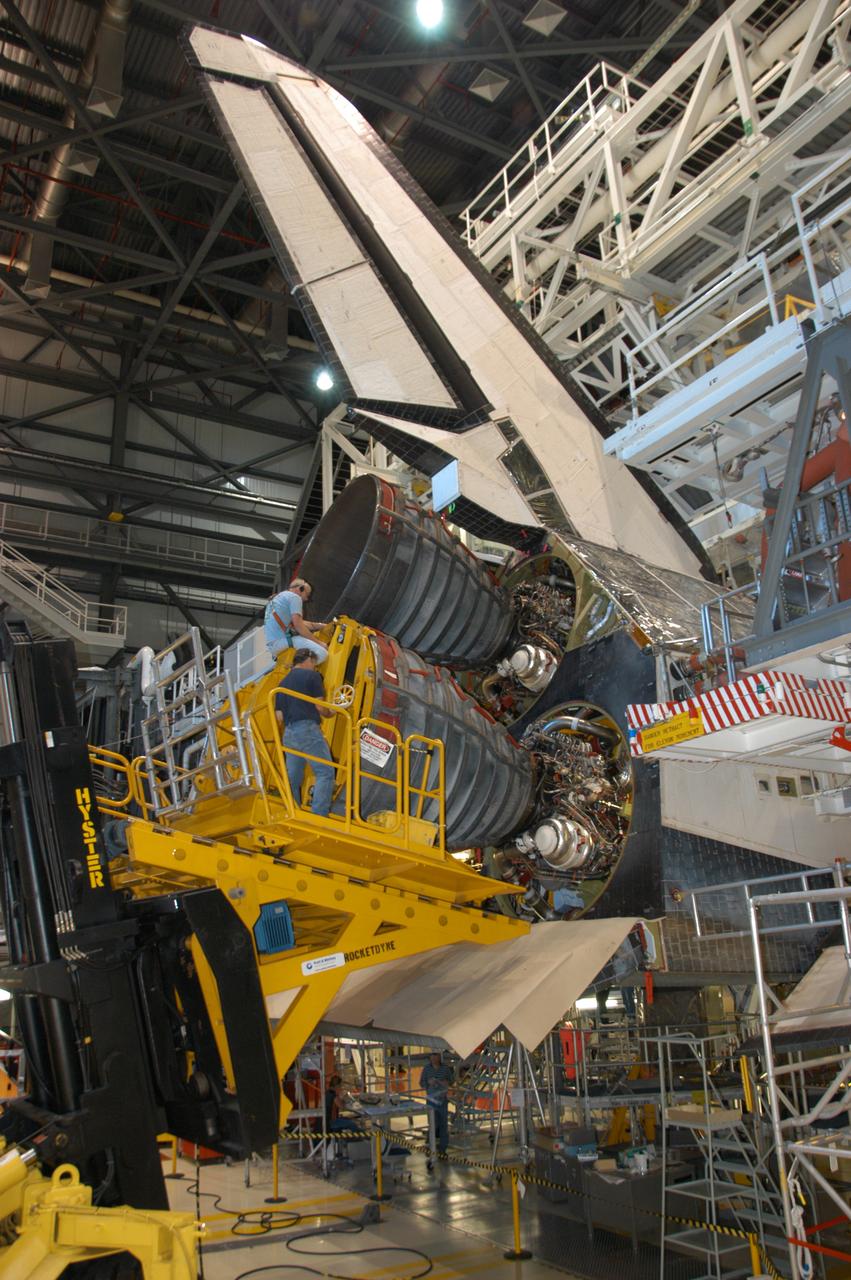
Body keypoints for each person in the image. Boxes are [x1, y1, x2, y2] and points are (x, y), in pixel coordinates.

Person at [275, 650, 335, 818]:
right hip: (307, 729)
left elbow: (279, 717)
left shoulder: (281, 684)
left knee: (293, 777)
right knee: (325, 772)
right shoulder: (312, 676)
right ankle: (319, 815)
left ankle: (292, 811)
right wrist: (331, 712)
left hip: (289, 733)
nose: (315, 667)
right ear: (308, 660)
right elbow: (319, 706)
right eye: (314, 663)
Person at [265, 577, 328, 662]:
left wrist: (323, 626)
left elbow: (301, 623)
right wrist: (319, 643)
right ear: (300, 589)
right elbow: (299, 626)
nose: (306, 599)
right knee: (322, 653)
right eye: (307, 595)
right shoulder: (294, 597)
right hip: (281, 642)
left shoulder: (279, 598)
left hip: (274, 646)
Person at [420, 1050, 454, 1157]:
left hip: (442, 1101)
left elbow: (451, 1080)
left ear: (440, 1056)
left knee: (443, 1125)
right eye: (432, 1056)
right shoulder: (427, 1069)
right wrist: (428, 1083)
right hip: (431, 1101)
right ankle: (430, 1147)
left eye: (436, 1056)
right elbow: (421, 1083)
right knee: (433, 1124)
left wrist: (446, 1083)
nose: (434, 1058)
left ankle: (442, 1149)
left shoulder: (445, 1069)